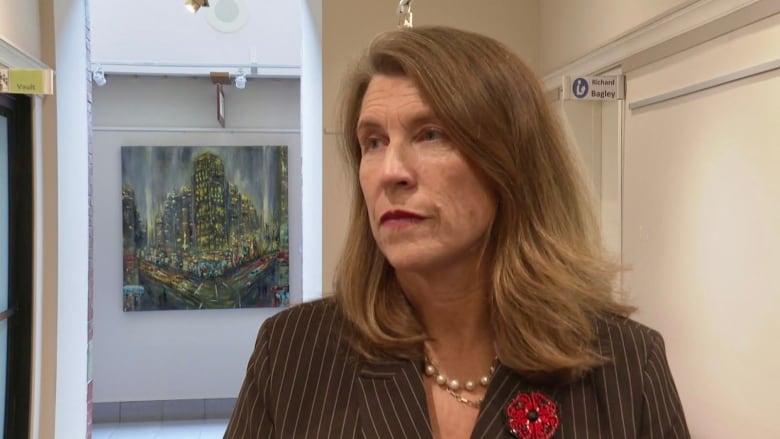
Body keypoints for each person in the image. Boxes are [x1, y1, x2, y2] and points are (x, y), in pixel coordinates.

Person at [225, 26, 690, 439]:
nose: (391, 172)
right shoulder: (293, 352)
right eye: (373, 142)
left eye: (431, 134)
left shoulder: (626, 364)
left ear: (510, 163)